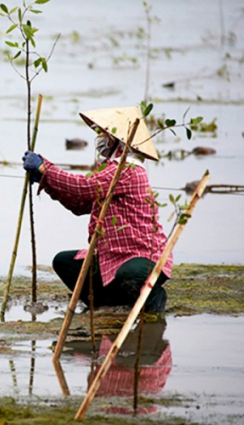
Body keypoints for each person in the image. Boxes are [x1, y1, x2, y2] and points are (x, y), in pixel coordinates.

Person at [21, 106, 171, 312]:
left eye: (103, 134)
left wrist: (46, 168)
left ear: (117, 140)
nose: (99, 138)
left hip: (143, 256)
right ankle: (108, 303)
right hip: (113, 255)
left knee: (129, 273)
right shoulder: (111, 170)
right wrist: (46, 181)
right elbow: (80, 204)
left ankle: (153, 299)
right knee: (63, 262)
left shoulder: (128, 170)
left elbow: (83, 187)